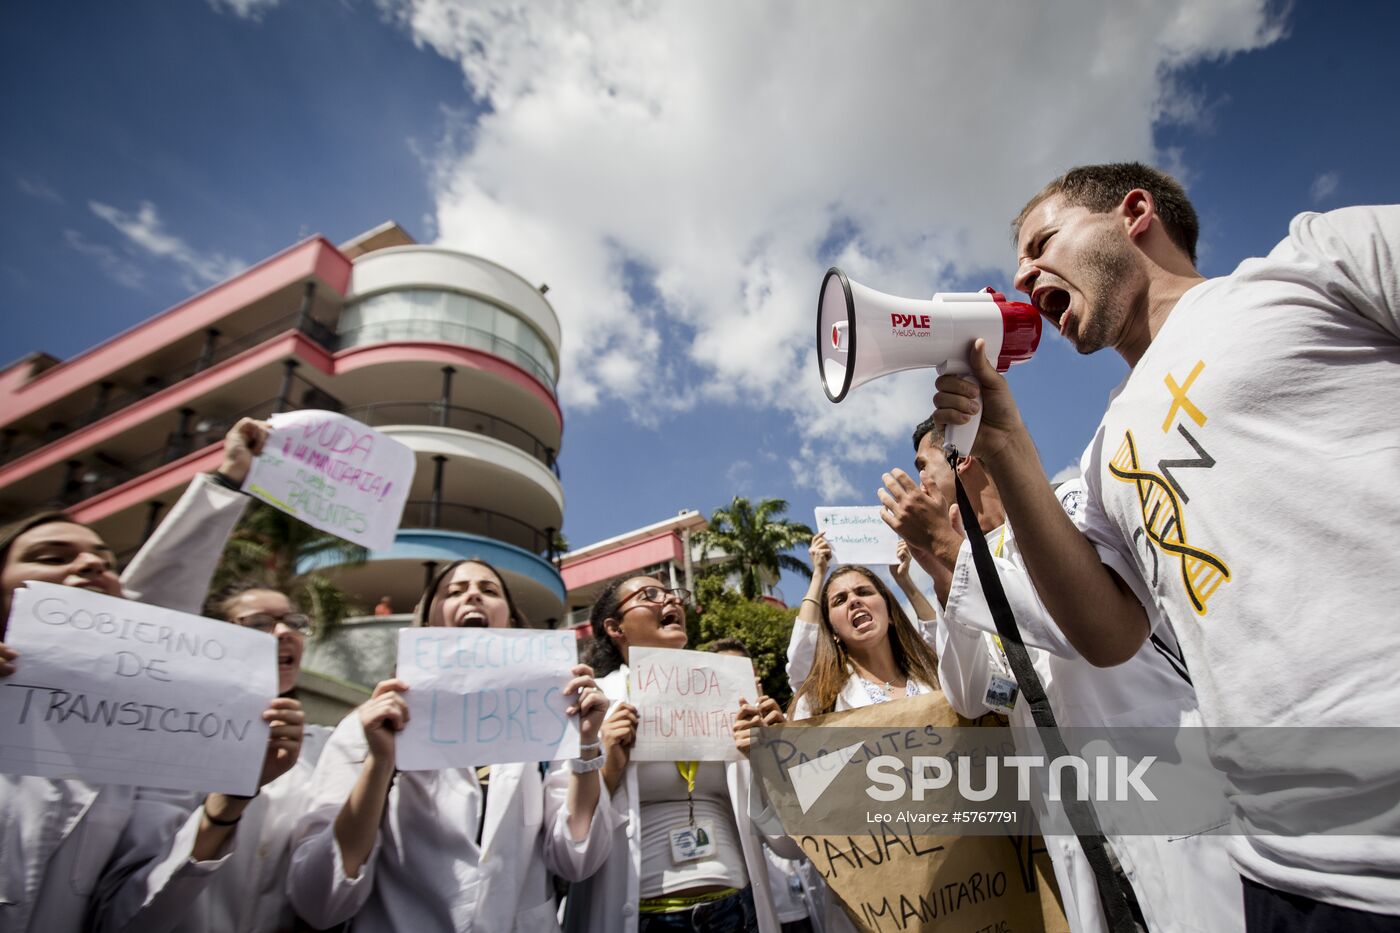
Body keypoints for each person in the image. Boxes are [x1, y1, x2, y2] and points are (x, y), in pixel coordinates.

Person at [930, 162, 1400, 927]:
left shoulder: (1313, 262)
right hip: (1286, 873)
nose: (1023, 274)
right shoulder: (1101, 452)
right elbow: (1108, 635)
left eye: (1042, 241)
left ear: (1135, 212)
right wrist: (1007, 446)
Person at [880, 415, 1241, 932]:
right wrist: (945, 575)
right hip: (1076, 823)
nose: (919, 484)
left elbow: (1085, 634)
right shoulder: (972, 565)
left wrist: (954, 553)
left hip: (1159, 784)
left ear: (964, 458)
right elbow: (971, 697)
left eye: (924, 466)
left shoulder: (1069, 508)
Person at [0, 419, 304, 933]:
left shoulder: (141, 744)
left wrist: (226, 807)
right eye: (52, 558)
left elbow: (128, 917)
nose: (91, 566)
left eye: (104, 560)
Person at [287, 558, 613, 932]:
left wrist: (586, 745)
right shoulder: (367, 727)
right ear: (427, 624)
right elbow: (320, 902)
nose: (473, 595)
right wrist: (379, 765)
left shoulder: (552, 724)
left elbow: (577, 860)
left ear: (510, 622)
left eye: (488, 590)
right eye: (454, 592)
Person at [567, 575, 789, 933]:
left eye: (674, 595)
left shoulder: (729, 694)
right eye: (650, 595)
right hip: (645, 916)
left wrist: (771, 754)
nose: (671, 602)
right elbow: (570, 853)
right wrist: (606, 764)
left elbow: (787, 843)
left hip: (738, 911)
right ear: (615, 627)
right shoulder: (593, 706)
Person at [169, 585, 333, 933]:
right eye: (260, 623)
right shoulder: (175, 731)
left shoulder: (328, 747)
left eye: (293, 621)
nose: (284, 632)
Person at [707, 639, 818, 933]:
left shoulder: (785, 729)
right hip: (747, 911)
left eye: (741, 672)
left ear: (756, 679)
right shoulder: (710, 758)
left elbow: (800, 837)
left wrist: (778, 750)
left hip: (805, 905)